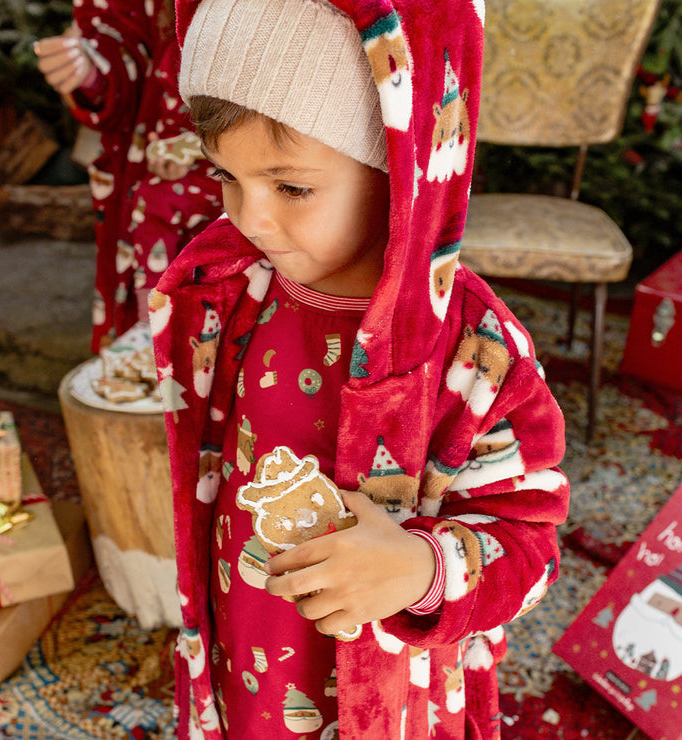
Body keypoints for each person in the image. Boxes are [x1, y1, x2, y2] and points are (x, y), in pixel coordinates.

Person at [149, 0, 570, 737]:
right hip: (244, 650)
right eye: (226, 177)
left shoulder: (473, 350)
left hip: (391, 699)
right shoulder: (231, 292)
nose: (251, 219)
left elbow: (529, 544)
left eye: (292, 187)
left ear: (400, 171)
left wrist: (418, 569)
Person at [34, 0, 222, 351]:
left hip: (270, 159)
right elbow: (119, 34)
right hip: (155, 174)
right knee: (153, 210)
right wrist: (89, 67)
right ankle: (148, 350)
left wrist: (207, 148)